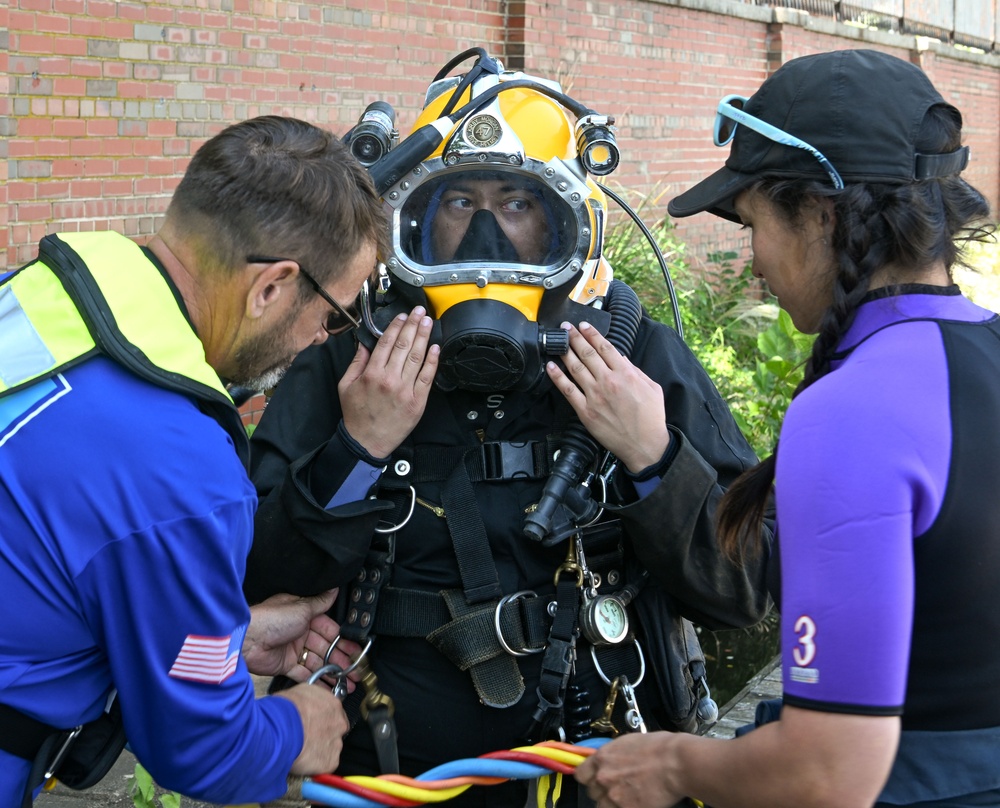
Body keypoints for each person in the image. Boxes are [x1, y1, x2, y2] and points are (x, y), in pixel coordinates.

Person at [244, 49, 773, 807]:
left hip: (596, 766)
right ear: (416, 217)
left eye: (517, 205)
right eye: (460, 203)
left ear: (569, 219)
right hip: (385, 767)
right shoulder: (350, 362)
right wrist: (357, 450)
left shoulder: (633, 354)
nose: (486, 232)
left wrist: (656, 458)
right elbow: (256, 582)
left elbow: (742, 590)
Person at [575, 48, 1000, 808]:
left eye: (752, 224)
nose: (756, 262)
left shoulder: (854, 411)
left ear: (823, 215)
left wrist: (672, 766)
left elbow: (825, 773)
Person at [0, 114, 386, 806]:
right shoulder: (180, 472)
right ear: (272, 287)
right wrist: (298, 726)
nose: (323, 339)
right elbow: (206, 751)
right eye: (335, 315)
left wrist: (223, 639)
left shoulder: (33, 301)